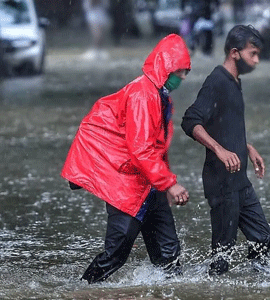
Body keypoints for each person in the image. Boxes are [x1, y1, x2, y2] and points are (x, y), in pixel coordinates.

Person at [61, 34, 191, 284]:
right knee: (116, 256)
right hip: (128, 187)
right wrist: (170, 184)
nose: (184, 77)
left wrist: (165, 185)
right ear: (165, 68)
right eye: (180, 71)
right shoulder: (144, 95)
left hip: (150, 185)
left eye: (186, 72)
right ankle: (80, 290)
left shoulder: (159, 96)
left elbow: (158, 147)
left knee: (169, 257)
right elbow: (141, 150)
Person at [181, 25, 270, 276]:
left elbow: (225, 124)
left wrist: (247, 147)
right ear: (234, 52)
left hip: (239, 180)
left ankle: (257, 286)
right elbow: (191, 121)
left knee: (263, 237)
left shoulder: (234, 82)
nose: (256, 60)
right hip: (221, 181)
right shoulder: (217, 81)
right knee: (223, 254)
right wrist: (219, 150)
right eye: (252, 54)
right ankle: (211, 289)